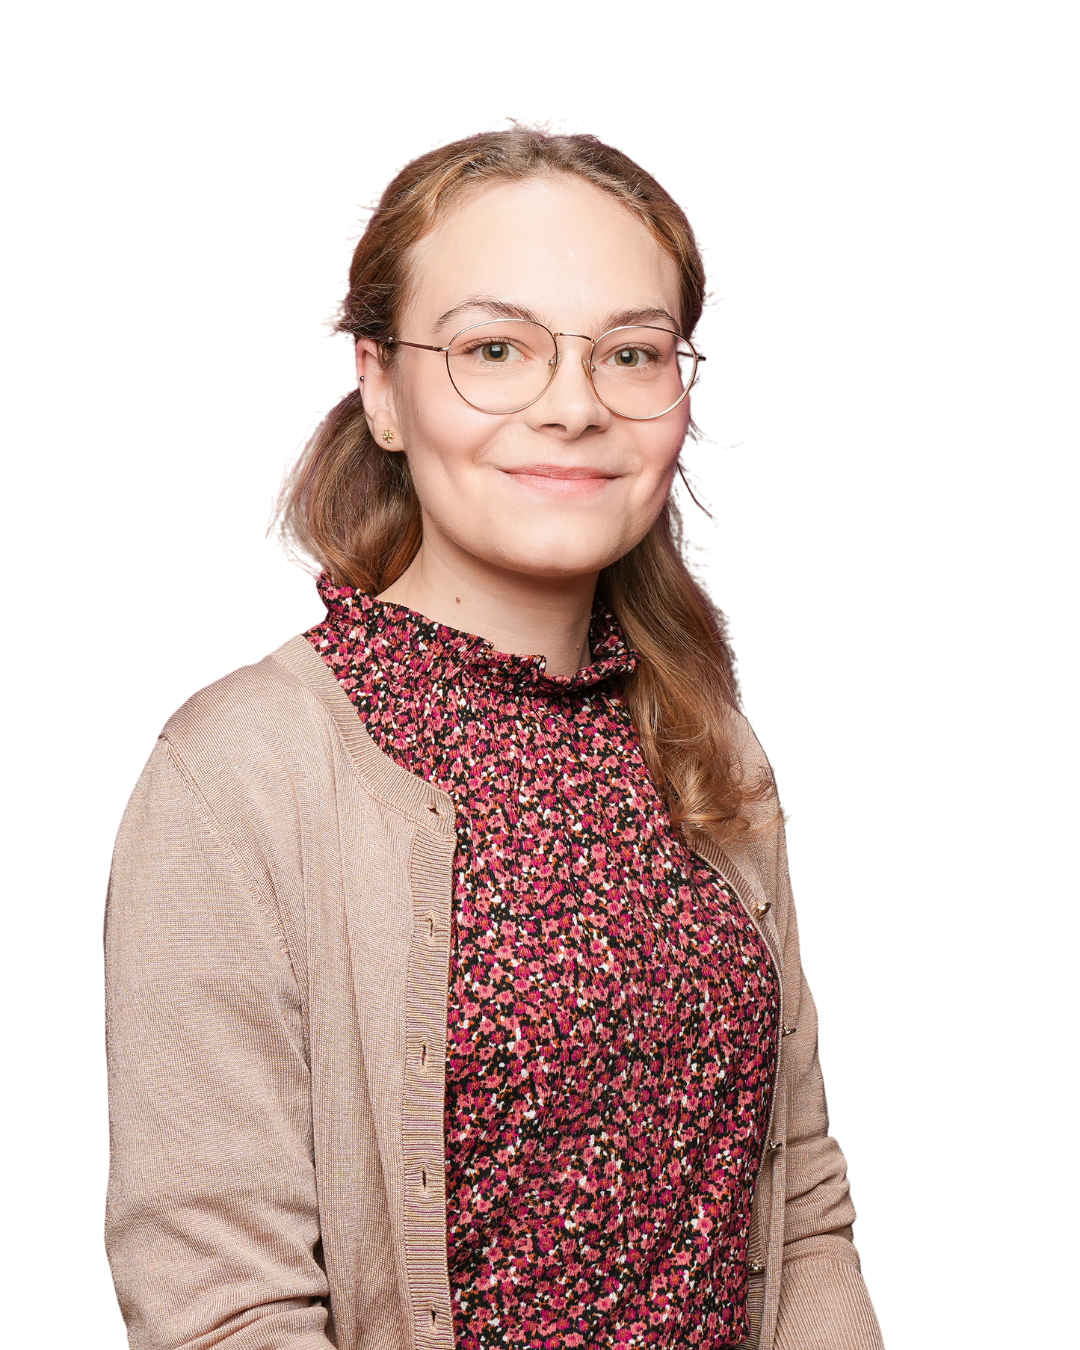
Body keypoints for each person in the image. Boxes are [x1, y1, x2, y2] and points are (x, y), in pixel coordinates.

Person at [105, 127, 884, 1350]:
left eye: (630, 353)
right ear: (380, 386)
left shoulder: (706, 748)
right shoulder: (239, 776)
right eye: (495, 350)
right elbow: (224, 1310)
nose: (572, 406)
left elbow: (801, 1208)